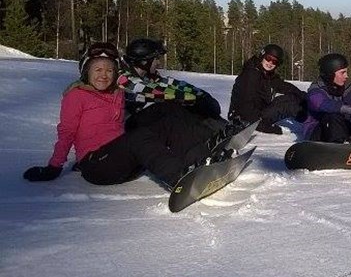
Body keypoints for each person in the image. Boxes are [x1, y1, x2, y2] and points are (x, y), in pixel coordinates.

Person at [22, 42, 230, 187]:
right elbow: (66, 132)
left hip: (123, 159)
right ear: (86, 72)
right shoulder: (76, 95)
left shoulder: (117, 93)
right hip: (98, 167)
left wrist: (183, 99)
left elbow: (143, 94)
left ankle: (204, 153)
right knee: (138, 136)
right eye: (98, 70)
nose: (104, 75)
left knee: (166, 112)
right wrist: (53, 167)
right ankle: (181, 176)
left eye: (109, 71)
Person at [117, 38, 225, 132]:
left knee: (197, 112)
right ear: (144, 61)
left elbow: (172, 84)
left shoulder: (149, 76)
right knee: (180, 111)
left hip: (154, 125)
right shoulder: (124, 79)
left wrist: (201, 94)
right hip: (132, 131)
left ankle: (229, 133)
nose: (158, 63)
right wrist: (193, 99)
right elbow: (156, 92)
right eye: (156, 59)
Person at [229, 43, 307, 135]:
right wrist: (266, 127)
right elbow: (246, 104)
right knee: (287, 105)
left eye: (275, 62)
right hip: (244, 117)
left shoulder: (267, 74)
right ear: (262, 56)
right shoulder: (251, 75)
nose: (270, 63)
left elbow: (285, 87)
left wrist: (306, 97)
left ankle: (312, 118)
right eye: (268, 58)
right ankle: (309, 124)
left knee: (292, 98)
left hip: (259, 111)